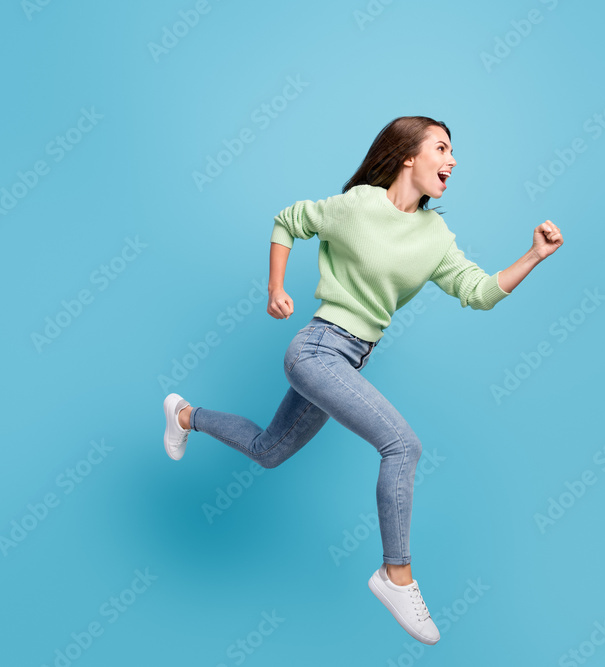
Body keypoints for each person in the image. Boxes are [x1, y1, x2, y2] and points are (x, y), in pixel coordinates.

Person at [162, 116, 563, 644]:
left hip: (348, 362)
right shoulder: (358, 206)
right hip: (317, 349)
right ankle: (396, 575)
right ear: (408, 157)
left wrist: (534, 255)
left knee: (268, 449)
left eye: (454, 152)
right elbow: (289, 221)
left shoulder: (435, 235)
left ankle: (185, 414)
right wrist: (275, 288)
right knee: (403, 446)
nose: (453, 160)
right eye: (442, 148)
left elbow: (480, 291)